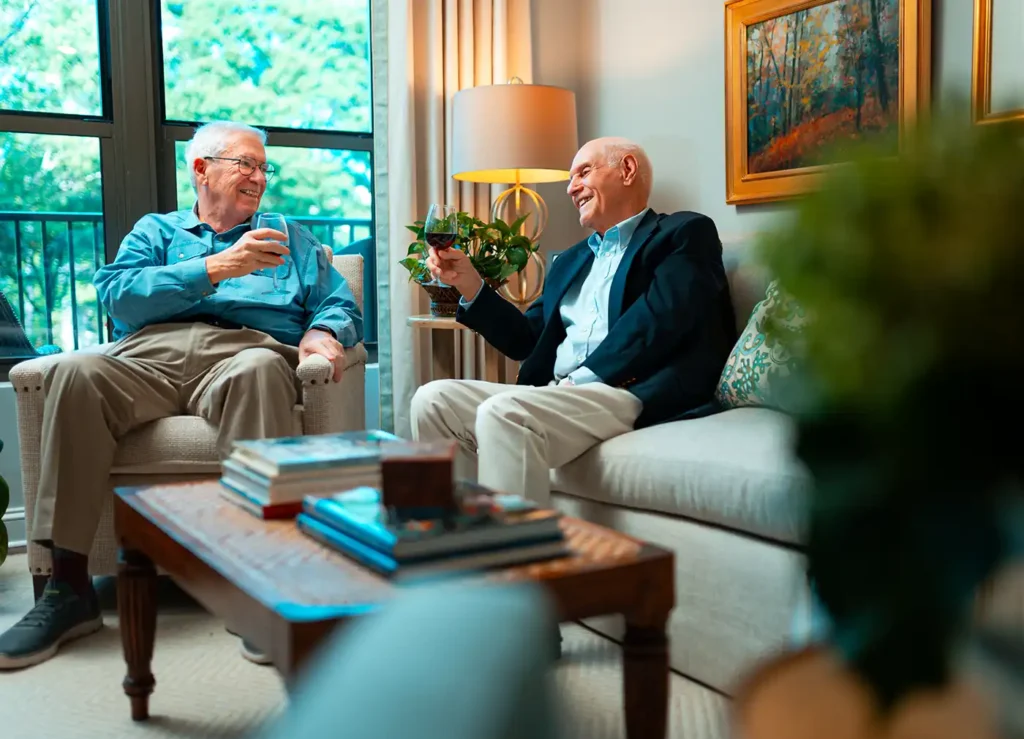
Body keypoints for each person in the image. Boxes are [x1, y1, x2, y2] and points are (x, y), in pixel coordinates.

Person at [0, 120, 362, 670]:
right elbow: (118, 297)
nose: (258, 176)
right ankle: (69, 589)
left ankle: (257, 583)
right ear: (201, 169)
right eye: (246, 163)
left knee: (263, 369)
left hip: (244, 353)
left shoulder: (288, 235)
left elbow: (338, 301)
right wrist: (216, 268)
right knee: (73, 372)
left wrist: (325, 332)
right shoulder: (157, 231)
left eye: (264, 167)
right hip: (151, 354)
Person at [411, 137, 734, 505]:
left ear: (627, 170)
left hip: (627, 390)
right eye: (570, 178)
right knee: (432, 399)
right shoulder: (569, 260)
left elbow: (657, 320)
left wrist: (575, 381)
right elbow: (526, 340)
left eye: (583, 171)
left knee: (506, 413)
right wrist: (469, 283)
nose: (571, 187)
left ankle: (504, 556)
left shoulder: (683, 233)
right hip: (560, 393)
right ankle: (450, 532)